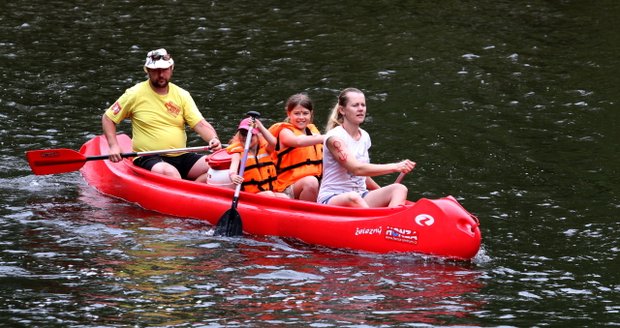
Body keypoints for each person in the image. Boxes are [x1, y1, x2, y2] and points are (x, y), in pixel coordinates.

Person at [101, 48, 221, 182]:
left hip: (180, 155)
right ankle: (184, 190)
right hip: (148, 157)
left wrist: (213, 139)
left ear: (171, 68)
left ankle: (194, 190)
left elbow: (199, 123)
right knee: (170, 173)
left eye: (164, 69)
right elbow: (108, 118)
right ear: (147, 70)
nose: (161, 74)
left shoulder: (182, 95)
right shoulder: (134, 94)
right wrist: (113, 146)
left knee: (217, 166)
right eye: (156, 70)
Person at [317, 87, 415, 208]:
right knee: (353, 197)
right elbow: (356, 169)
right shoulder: (335, 138)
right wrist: (396, 167)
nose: (361, 109)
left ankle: (390, 223)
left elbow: (364, 176)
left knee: (399, 189)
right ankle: (378, 224)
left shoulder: (365, 136)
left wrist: (384, 193)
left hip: (361, 196)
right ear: (342, 110)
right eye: (355, 105)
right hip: (333, 198)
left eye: (363, 105)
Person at [268, 93, 324, 201]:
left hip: (314, 182)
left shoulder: (312, 131)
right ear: (289, 114)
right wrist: (326, 137)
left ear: (311, 114)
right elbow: (298, 141)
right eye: (297, 113)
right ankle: (307, 214)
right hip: (286, 186)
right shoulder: (285, 131)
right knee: (311, 182)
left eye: (305, 113)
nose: (301, 117)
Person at [227, 117, 289, 198]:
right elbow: (233, 169)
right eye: (243, 134)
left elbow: (273, 142)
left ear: (257, 135)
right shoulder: (237, 153)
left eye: (250, 134)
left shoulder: (266, 149)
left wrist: (260, 126)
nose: (246, 137)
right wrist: (233, 176)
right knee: (269, 195)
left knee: (285, 197)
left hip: (271, 191)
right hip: (251, 194)